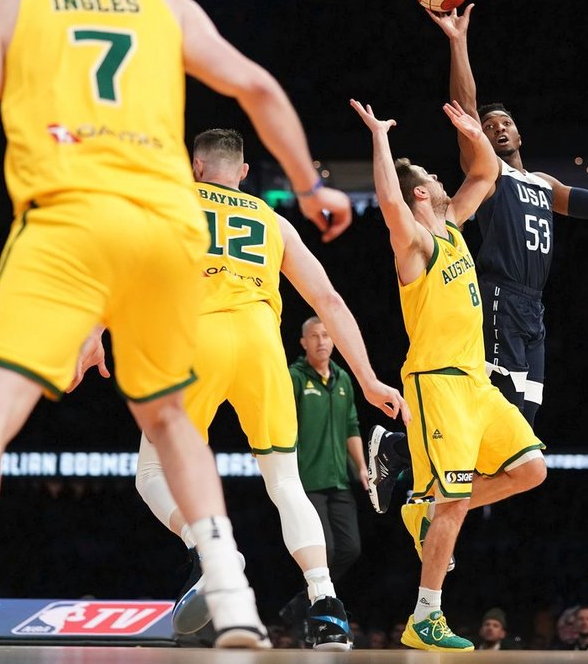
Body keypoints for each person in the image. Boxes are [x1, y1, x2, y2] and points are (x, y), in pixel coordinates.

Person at [0, 0, 350, 649]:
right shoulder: (163, 3)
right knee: (174, 423)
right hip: (171, 243)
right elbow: (258, 88)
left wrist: (88, 323)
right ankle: (240, 602)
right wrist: (310, 183)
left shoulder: (4, 7)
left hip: (72, 220)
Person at [363, 5, 588, 514]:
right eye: (490, 124)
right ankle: (414, 468)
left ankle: (422, 475)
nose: (499, 127)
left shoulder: (543, 185)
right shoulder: (489, 179)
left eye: (506, 122)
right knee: (483, 405)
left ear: (521, 134)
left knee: (521, 431)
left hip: (533, 309)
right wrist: (458, 43)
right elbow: (464, 105)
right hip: (497, 296)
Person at [131, 130, 406, 650]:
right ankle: (326, 608)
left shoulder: (173, 199)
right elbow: (327, 298)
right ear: (241, 173)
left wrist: (94, 335)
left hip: (197, 338)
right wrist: (368, 378)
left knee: (151, 472)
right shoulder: (271, 220)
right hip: (262, 343)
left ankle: (214, 553)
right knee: (285, 484)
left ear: (195, 167)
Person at [350, 98, 546, 652]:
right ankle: (426, 616)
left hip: (477, 385)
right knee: (456, 502)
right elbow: (389, 199)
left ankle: (422, 505)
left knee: (532, 471)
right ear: (421, 193)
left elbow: (485, 172)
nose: (442, 178)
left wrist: (472, 133)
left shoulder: (455, 224)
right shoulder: (414, 244)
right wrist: (380, 138)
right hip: (436, 383)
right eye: (433, 178)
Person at [291, 316, 370, 582]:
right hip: (308, 479)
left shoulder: (343, 379)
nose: (321, 341)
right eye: (314, 336)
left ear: (334, 340)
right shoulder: (295, 377)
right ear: (303, 342)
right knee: (325, 550)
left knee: (351, 548)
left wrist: (361, 467)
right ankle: (314, 609)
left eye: (326, 335)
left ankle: (303, 605)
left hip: (339, 478)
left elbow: (352, 426)